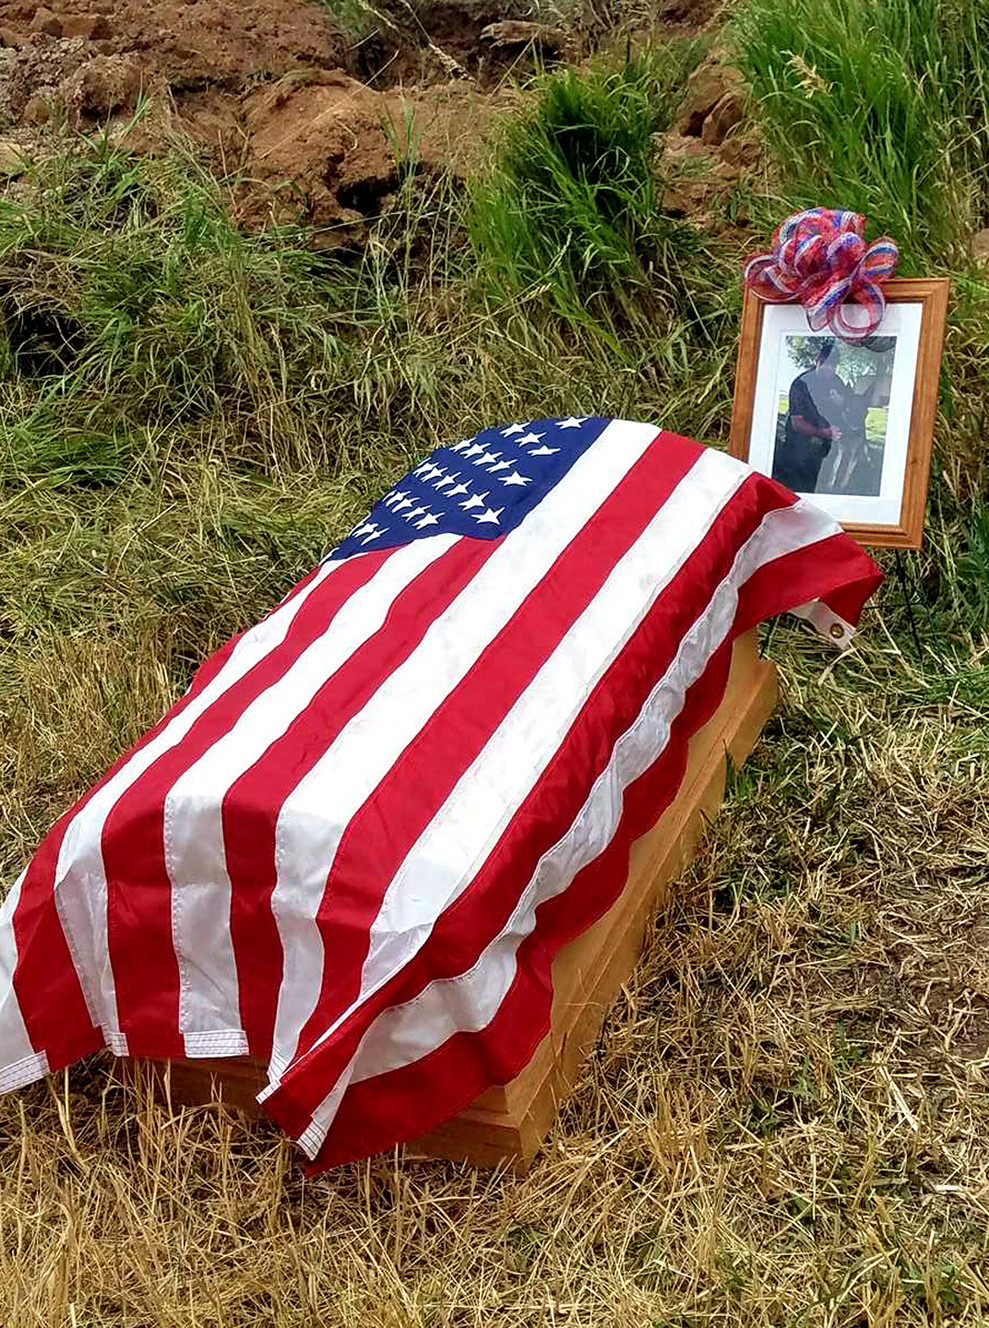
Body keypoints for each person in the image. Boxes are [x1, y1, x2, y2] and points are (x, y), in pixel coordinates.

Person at [773, 341, 848, 493]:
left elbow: (848, 408)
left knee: (821, 486)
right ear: (818, 361)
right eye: (826, 364)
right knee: (796, 488)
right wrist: (824, 432)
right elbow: (797, 423)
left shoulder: (837, 382)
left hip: (826, 448)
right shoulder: (801, 383)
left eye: (833, 366)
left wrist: (842, 403)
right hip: (798, 446)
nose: (830, 369)